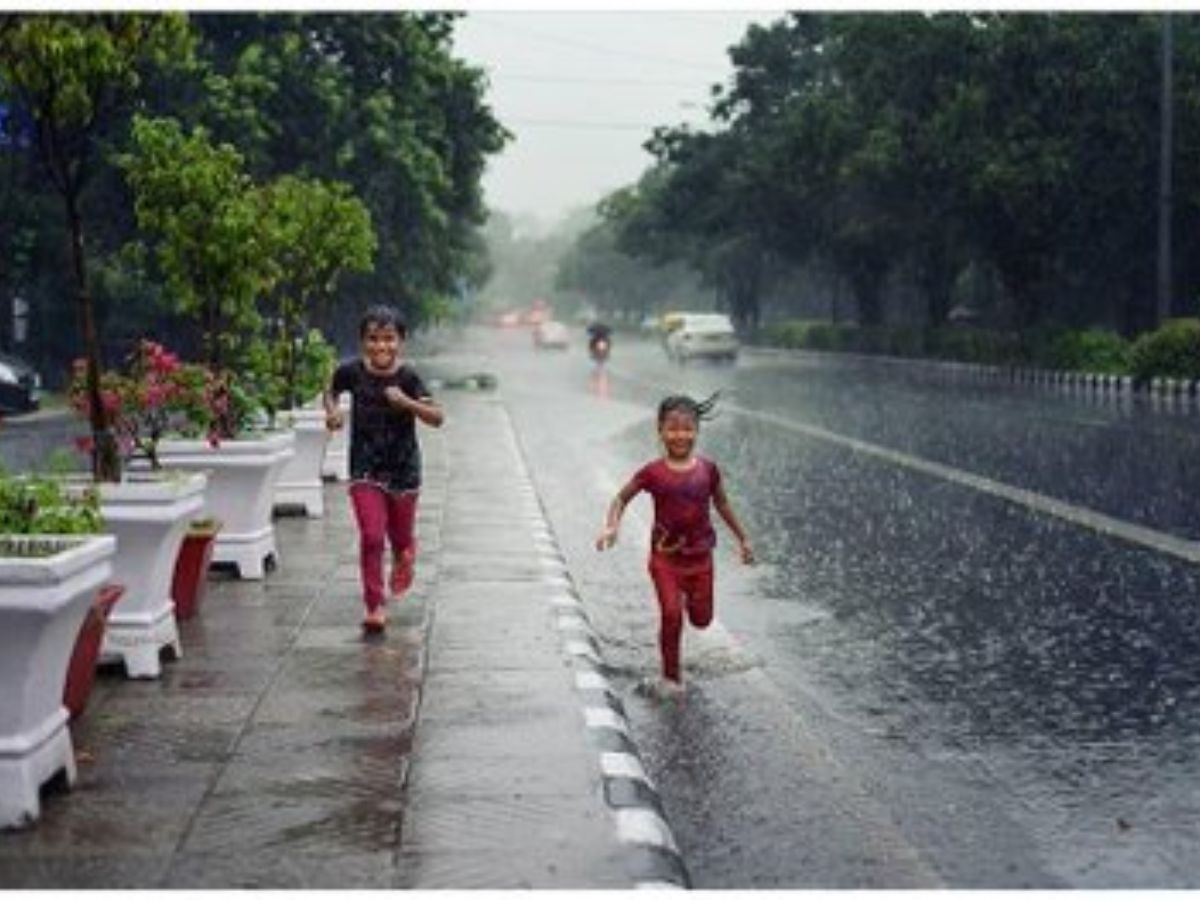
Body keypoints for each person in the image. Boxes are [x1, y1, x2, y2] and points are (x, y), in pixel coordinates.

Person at [595, 392, 754, 698]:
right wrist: (611, 526)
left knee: (702, 620)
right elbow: (620, 498)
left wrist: (743, 538)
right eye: (673, 428)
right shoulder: (652, 473)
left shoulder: (708, 470)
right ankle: (671, 679)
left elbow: (721, 503)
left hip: (700, 560)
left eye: (687, 428)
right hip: (665, 560)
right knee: (671, 613)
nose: (680, 435)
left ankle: (690, 615)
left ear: (696, 431)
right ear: (660, 430)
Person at [324, 305, 444, 634]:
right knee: (372, 536)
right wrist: (333, 412)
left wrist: (406, 403)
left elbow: (437, 417)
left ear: (400, 341)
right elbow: (331, 389)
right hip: (365, 469)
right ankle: (375, 605)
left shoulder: (408, 377)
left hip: (404, 471)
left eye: (389, 339)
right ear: (363, 341)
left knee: (400, 539)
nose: (381, 347)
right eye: (373, 339)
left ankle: (406, 553)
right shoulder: (351, 372)